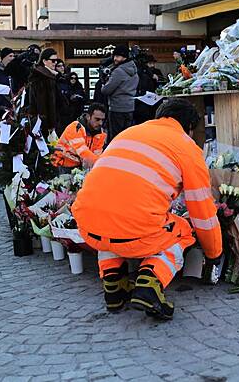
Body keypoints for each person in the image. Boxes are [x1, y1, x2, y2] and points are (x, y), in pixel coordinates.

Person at [72, 98, 222, 320]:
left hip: (88, 226)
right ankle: (150, 283)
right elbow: (202, 212)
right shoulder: (186, 147)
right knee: (182, 230)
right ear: (189, 128)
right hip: (135, 231)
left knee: (112, 220)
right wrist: (214, 254)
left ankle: (114, 281)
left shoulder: (128, 133)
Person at [100, 45, 138, 143]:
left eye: (117, 56)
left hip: (117, 108)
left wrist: (103, 83)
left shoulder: (119, 71)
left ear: (124, 57)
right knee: (126, 137)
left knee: (115, 138)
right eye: (114, 56)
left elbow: (106, 90)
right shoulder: (134, 70)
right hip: (130, 107)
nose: (115, 59)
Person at [53, 103, 106, 172]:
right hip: (63, 165)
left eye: (102, 120)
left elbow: (97, 154)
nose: (100, 123)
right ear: (88, 117)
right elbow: (82, 151)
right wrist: (100, 165)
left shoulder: (100, 133)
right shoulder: (75, 127)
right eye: (97, 119)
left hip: (80, 166)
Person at [27, 48, 60, 138]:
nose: (55, 63)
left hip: (48, 123)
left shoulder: (50, 76)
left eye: (56, 60)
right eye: (53, 60)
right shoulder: (41, 78)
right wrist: (49, 125)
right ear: (44, 61)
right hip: (43, 125)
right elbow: (41, 104)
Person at [133, 53, 162, 125]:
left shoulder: (155, 72)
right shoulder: (142, 74)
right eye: (150, 63)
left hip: (151, 101)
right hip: (143, 103)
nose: (152, 65)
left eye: (153, 63)